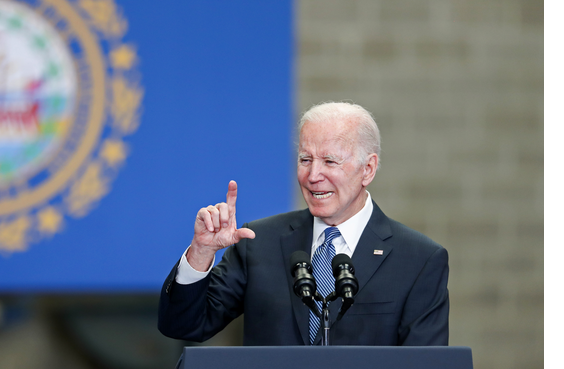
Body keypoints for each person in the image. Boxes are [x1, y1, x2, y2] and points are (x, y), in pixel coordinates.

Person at [158, 101, 449, 346]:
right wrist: (201, 252)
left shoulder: (418, 260)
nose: (313, 176)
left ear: (368, 169)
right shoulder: (259, 244)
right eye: (305, 159)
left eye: (330, 162)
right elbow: (183, 327)